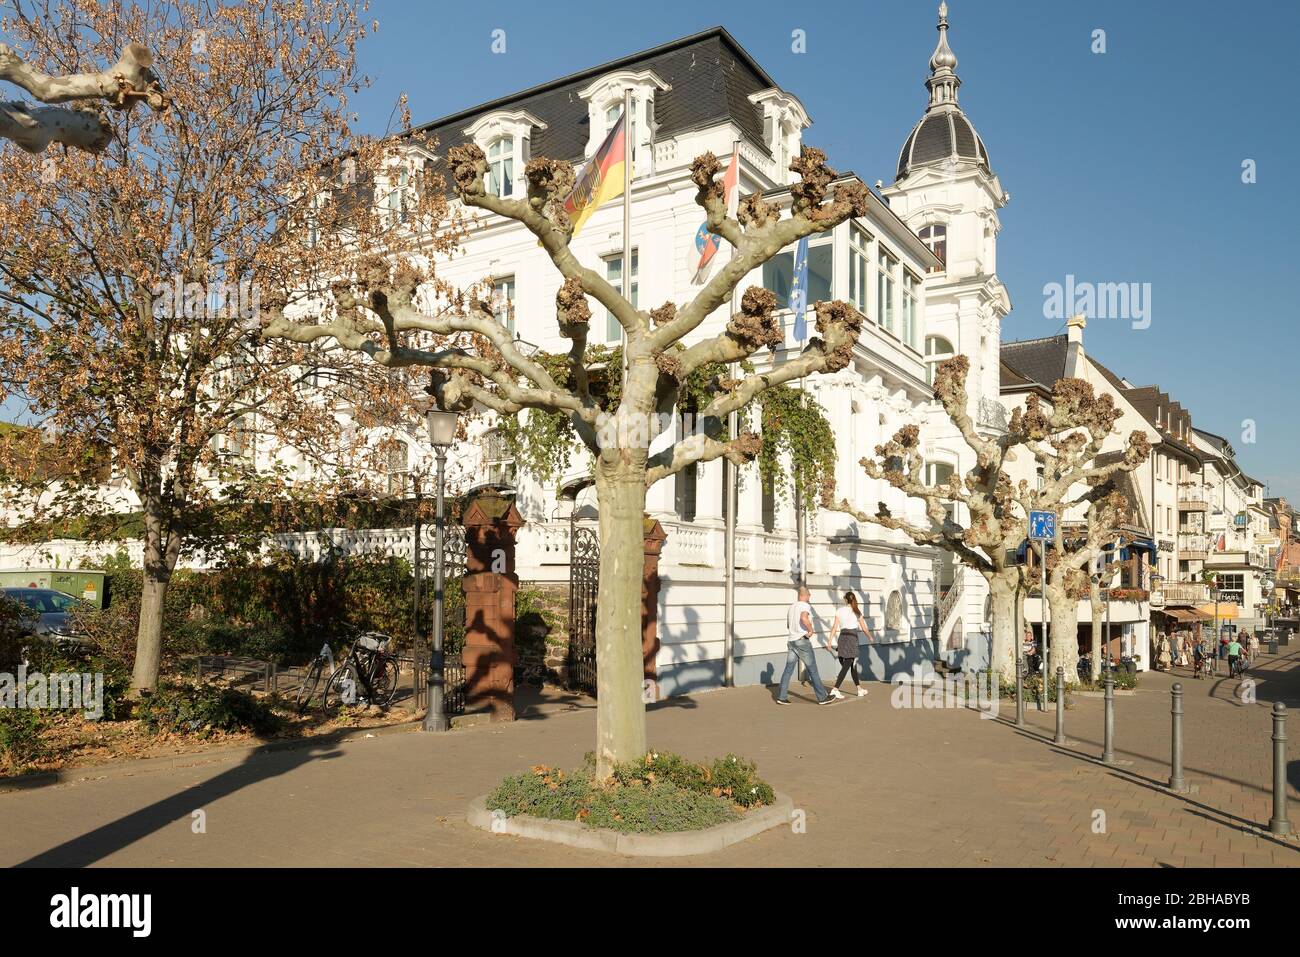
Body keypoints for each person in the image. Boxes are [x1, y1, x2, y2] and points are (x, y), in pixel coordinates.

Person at [777, 585, 836, 706]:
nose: (810, 596)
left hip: (791, 640)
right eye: (809, 594)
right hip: (802, 640)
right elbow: (804, 617)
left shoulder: (792, 607)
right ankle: (822, 697)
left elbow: (788, 625)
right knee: (812, 669)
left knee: (788, 669)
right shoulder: (805, 605)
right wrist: (810, 629)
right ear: (804, 595)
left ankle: (782, 697)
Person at [829, 592, 873, 698]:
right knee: (848, 664)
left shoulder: (839, 611)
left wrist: (829, 640)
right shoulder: (857, 611)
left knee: (853, 665)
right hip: (852, 638)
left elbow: (834, 627)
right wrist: (870, 637)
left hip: (842, 637)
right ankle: (835, 689)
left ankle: (859, 689)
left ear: (845, 600)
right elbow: (864, 628)